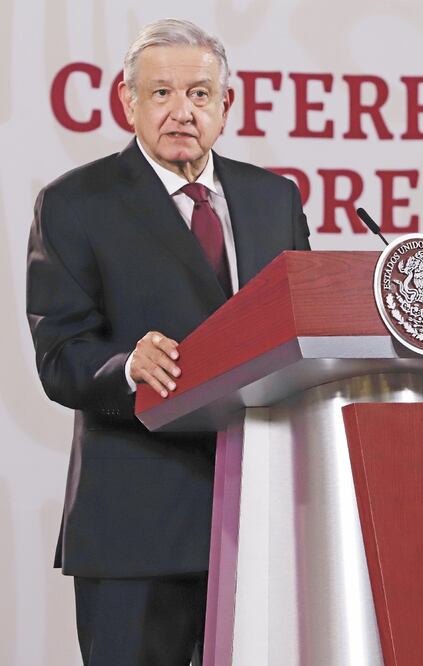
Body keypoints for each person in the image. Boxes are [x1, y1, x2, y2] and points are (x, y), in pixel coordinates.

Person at [26, 18, 310, 666]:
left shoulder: (274, 199)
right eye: (160, 94)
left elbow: (301, 327)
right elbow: (59, 354)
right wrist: (127, 368)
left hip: (259, 515)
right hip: (136, 525)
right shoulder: (75, 203)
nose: (182, 111)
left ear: (226, 105)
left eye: (200, 94)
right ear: (127, 102)